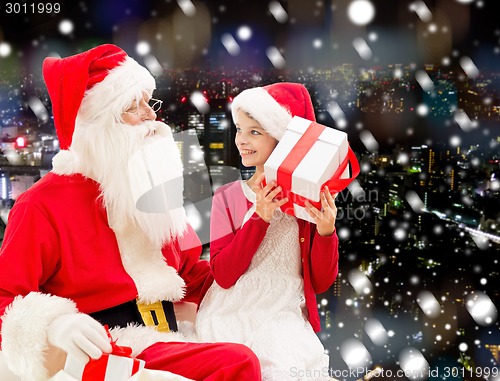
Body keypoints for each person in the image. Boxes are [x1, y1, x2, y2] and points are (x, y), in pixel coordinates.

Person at [0, 44, 261, 381]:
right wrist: (56, 324)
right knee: (236, 363)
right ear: (96, 124)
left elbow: (190, 272)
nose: (151, 117)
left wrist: (256, 274)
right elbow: (5, 296)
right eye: (131, 107)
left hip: (171, 333)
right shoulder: (41, 205)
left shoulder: (148, 187)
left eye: (147, 103)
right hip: (111, 346)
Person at [196, 83, 340, 380]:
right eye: (239, 129)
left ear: (283, 141)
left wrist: (326, 233)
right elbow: (223, 274)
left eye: (255, 132)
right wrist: (259, 217)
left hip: (284, 315)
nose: (242, 141)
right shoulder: (228, 196)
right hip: (231, 312)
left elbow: (322, 281)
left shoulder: (307, 204)